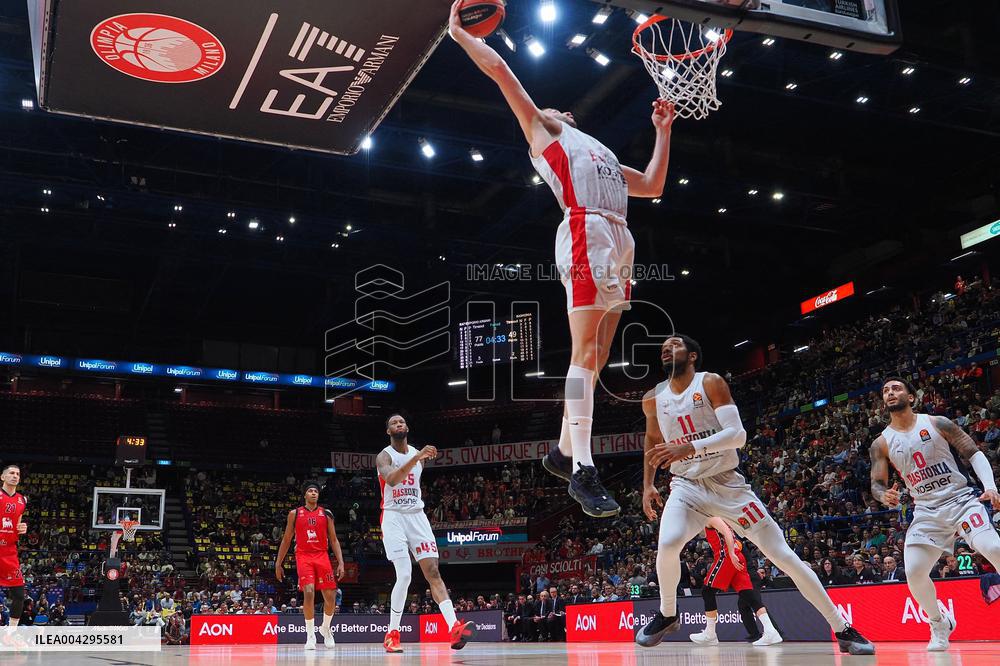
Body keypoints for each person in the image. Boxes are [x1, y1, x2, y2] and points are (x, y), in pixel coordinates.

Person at [448, 2, 675, 518]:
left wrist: (663, 131)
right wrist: (459, 35)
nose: (554, 107)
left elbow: (654, 185)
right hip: (584, 229)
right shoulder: (544, 134)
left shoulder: (598, 152)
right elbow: (501, 70)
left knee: (597, 358)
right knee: (583, 355)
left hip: (621, 238)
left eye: (561, 107)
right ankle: (582, 470)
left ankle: (563, 449)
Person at [637, 336, 874, 654]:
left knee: (784, 556)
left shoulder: (710, 383)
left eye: (675, 344)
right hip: (687, 486)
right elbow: (652, 441)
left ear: (692, 355)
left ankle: (843, 629)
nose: (666, 348)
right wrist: (648, 485)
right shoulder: (652, 397)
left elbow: (738, 435)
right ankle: (668, 615)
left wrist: (689, 446)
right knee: (666, 544)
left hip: (728, 487)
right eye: (663, 346)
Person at [870, 377, 1000, 651]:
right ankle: (939, 623)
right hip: (926, 511)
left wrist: (989, 486)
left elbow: (973, 453)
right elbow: (877, 484)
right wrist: (883, 495)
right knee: (915, 572)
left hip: (961, 499)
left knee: (994, 547)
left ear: (911, 396)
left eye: (896, 388)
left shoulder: (937, 422)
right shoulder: (881, 443)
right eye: (885, 391)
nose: (890, 393)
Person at [376, 415, 475, 652]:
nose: (399, 424)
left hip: (417, 517)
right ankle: (392, 634)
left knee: (433, 572)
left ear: (407, 427)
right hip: (393, 517)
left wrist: (417, 456)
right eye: (394, 423)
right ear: (388, 431)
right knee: (405, 575)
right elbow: (392, 479)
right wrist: (416, 457)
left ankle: (454, 628)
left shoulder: (419, 456)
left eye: (402, 422)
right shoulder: (384, 455)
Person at [689, 517, 781, 646]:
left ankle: (710, 634)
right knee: (748, 595)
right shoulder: (713, 521)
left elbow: (727, 532)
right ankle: (771, 631)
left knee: (707, 591)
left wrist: (731, 553)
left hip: (726, 556)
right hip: (736, 557)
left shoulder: (712, 518)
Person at [275, 481, 345, 650]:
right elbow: (286, 539)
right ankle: (310, 635)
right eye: (310, 491)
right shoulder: (295, 513)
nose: (314, 493)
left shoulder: (326, 514)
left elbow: (334, 540)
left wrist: (341, 562)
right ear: (305, 495)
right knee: (308, 591)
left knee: (331, 596)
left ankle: (326, 628)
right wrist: (278, 563)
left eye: (316, 491)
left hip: (322, 555)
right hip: (304, 556)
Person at [0, 464, 27, 645]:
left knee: (19, 594)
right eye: (11, 473)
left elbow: (18, 524)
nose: (15, 476)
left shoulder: (22, 500)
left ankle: (10, 634)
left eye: (17, 474)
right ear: (2, 477)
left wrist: (22, 528)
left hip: (10, 552)